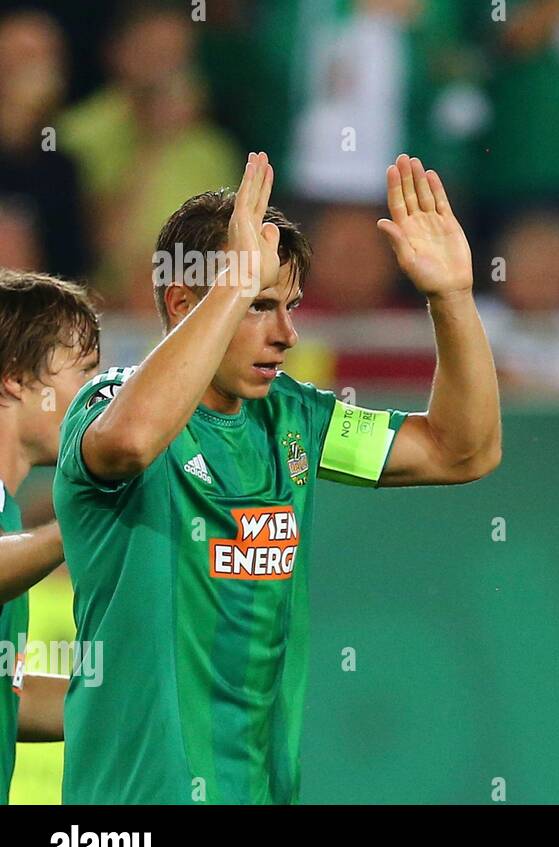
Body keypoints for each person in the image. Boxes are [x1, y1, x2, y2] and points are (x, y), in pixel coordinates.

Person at [53, 152, 501, 804]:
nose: (287, 332)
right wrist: (231, 286)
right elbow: (129, 442)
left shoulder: (295, 419)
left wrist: (452, 298)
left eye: (288, 305)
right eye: (261, 305)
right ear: (183, 302)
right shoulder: (107, 406)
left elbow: (461, 451)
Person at [0, 269, 101, 803]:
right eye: (83, 373)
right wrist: (82, 522)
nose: (95, 398)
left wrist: (132, 705)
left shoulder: (8, 514)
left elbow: (9, 697)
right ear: (15, 377)